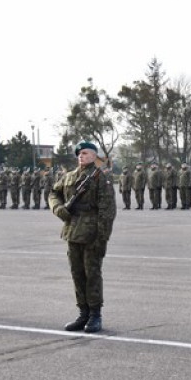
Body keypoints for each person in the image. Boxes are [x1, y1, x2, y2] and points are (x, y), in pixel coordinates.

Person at [48, 141, 116, 333]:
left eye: (85, 153)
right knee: (77, 274)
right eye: (79, 154)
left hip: (92, 233)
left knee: (92, 275)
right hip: (72, 231)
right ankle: (83, 313)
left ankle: (95, 315)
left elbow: (108, 211)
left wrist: (102, 237)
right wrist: (58, 209)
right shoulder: (69, 176)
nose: (81, 156)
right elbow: (54, 193)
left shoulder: (101, 179)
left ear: (94, 156)